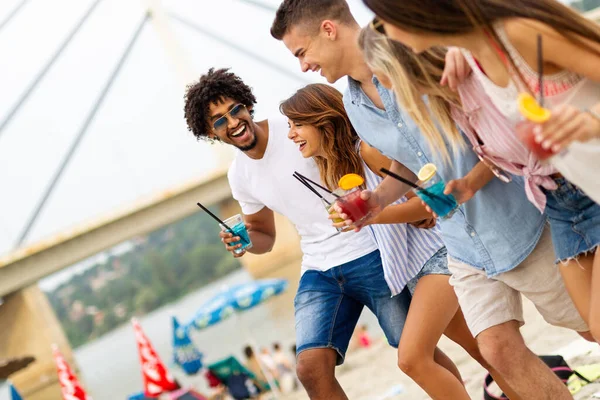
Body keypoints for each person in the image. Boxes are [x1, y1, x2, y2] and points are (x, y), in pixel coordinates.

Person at [270, 1, 590, 399]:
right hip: (461, 243)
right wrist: (377, 200)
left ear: (329, 29)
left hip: (517, 219)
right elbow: (409, 161)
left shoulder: (415, 52)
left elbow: (492, 115)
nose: (303, 66)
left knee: (588, 327)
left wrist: (473, 179)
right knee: (497, 350)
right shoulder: (353, 104)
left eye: (302, 52)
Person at [360, 0, 600, 347]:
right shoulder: (470, 65)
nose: (381, 28)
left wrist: (588, 121)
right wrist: (468, 185)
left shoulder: (510, 37)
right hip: (563, 202)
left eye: (382, 18)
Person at [184, 68, 412, 400]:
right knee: (310, 369)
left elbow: (360, 152)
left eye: (235, 109)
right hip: (319, 267)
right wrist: (244, 243)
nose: (232, 122)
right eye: (219, 120)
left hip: (366, 247)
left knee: (413, 352)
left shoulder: (292, 130)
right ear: (209, 131)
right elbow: (264, 235)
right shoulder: (240, 176)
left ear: (248, 104)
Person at [280, 82, 515, 399]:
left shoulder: (368, 150)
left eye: (297, 124)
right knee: (482, 350)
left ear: (321, 119)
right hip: (411, 269)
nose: (291, 134)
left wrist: (371, 216)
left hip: (438, 254)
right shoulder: (338, 168)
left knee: (413, 358)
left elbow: (429, 204)